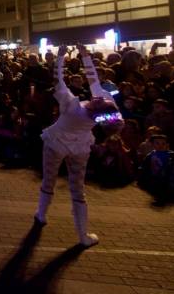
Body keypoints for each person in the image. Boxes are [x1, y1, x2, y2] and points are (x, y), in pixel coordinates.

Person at [33, 44, 122, 247]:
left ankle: (41, 214)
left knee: (49, 180)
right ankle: (82, 236)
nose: (97, 96)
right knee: (77, 188)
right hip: (80, 146)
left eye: (98, 100)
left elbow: (58, 79)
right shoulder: (107, 109)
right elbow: (93, 81)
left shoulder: (72, 105)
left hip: (56, 143)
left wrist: (61, 56)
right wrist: (85, 56)